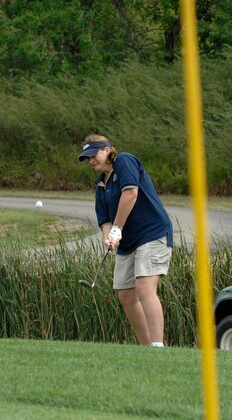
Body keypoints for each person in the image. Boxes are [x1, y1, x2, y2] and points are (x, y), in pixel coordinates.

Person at [78, 134, 173, 347]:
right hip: (127, 241)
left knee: (144, 287)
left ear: (107, 150)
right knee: (125, 294)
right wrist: (108, 238)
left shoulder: (124, 161)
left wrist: (117, 229)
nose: (91, 160)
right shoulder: (100, 185)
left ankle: (158, 346)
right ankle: (146, 346)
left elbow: (130, 194)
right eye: (88, 158)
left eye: (94, 154)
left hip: (152, 233)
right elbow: (105, 221)